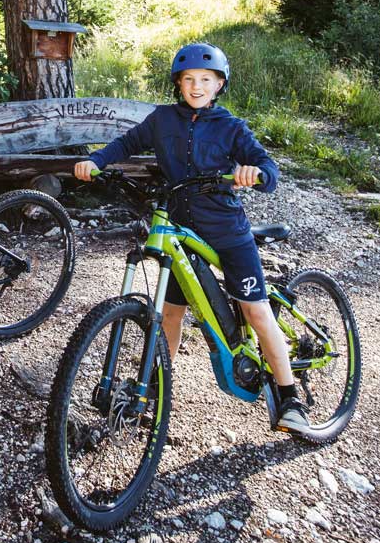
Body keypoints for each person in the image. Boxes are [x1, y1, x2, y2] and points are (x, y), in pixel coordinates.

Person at [74, 41, 309, 435]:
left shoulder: (230, 126)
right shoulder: (162, 119)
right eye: (188, 79)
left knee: (254, 309)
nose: (196, 86)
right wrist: (96, 160)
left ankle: (289, 398)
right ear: (178, 84)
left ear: (219, 85)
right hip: (180, 228)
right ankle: (152, 390)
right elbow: (127, 144)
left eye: (206, 79)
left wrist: (256, 174)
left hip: (227, 231)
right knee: (169, 314)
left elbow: (267, 165)